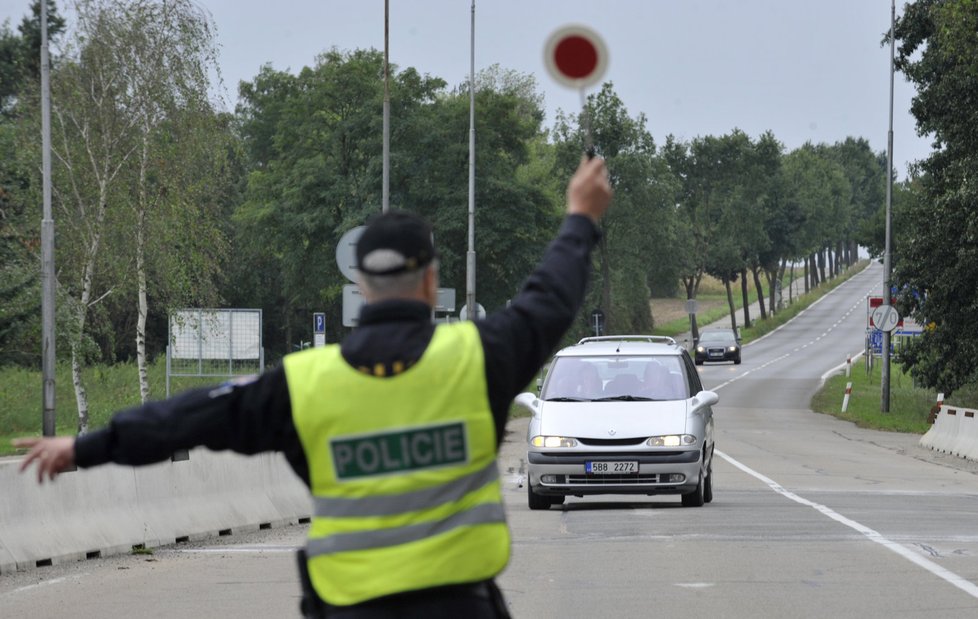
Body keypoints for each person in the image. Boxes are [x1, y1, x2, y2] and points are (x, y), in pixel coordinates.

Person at [13, 156, 612, 618]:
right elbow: (550, 298)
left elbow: (188, 417)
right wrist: (580, 216)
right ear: (430, 281)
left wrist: (84, 448)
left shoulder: (304, 383)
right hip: (459, 605)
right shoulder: (477, 355)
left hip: (347, 606)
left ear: (359, 282)